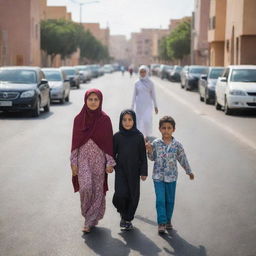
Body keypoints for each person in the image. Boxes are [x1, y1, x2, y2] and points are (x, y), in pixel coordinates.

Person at [70, 88, 116, 233]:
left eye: (96, 99)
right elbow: (74, 142)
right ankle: (87, 214)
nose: (93, 102)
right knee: (85, 187)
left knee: (97, 190)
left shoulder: (105, 119)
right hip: (83, 159)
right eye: (90, 99)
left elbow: (109, 143)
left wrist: (109, 162)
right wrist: (73, 162)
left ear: (100, 101)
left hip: (99, 160)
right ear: (85, 100)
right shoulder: (78, 119)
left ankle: (90, 220)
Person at [146, 116, 194, 234]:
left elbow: (183, 159)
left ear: (174, 129)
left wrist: (189, 171)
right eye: (164, 128)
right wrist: (149, 150)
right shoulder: (156, 143)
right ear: (159, 129)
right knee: (160, 200)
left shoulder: (177, 145)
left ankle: (168, 220)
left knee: (170, 200)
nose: (166, 130)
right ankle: (161, 223)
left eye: (169, 128)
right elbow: (152, 158)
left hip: (171, 177)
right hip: (158, 177)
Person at [112, 109, 148, 231]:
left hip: (134, 171)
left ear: (134, 121)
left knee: (133, 196)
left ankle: (127, 219)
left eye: (130, 120)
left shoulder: (138, 136)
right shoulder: (117, 136)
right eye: (124, 120)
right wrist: (110, 165)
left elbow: (143, 155)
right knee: (120, 194)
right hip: (120, 170)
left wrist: (144, 172)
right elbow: (112, 153)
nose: (127, 122)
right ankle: (123, 212)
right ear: (120, 121)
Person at [131, 65, 158, 138]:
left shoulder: (151, 83)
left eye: (144, 72)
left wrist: (155, 106)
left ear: (147, 72)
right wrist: (132, 107)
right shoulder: (136, 83)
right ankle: (140, 136)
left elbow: (153, 95)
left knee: (147, 120)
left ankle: (147, 135)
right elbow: (133, 96)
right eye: (141, 72)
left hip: (148, 105)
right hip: (139, 105)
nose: (142, 73)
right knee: (139, 121)